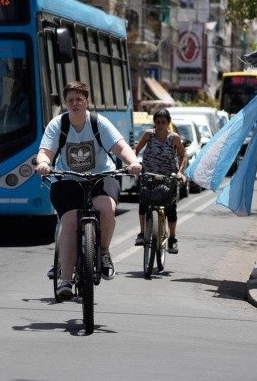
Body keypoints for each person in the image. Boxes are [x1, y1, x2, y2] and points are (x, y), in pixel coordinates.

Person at [35, 81, 142, 301]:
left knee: (105, 210)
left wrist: (132, 162)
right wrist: (44, 163)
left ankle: (103, 253)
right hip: (67, 179)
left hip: (101, 176)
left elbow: (121, 147)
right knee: (71, 221)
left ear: (87, 102)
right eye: (70, 100)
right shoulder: (58, 125)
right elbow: (45, 152)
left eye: (79, 100)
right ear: (65, 103)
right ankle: (65, 280)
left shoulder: (98, 123)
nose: (75, 104)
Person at [133, 108, 187, 253]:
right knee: (144, 202)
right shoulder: (148, 135)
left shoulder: (174, 138)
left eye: (164, 122)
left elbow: (183, 156)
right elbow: (136, 150)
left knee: (171, 208)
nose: (160, 125)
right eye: (158, 122)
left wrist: (180, 172)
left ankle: (172, 239)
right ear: (154, 123)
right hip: (149, 176)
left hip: (168, 178)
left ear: (168, 123)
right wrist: (133, 164)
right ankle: (142, 233)